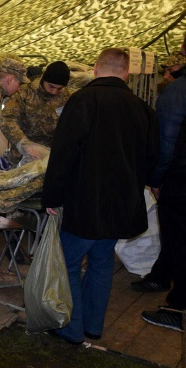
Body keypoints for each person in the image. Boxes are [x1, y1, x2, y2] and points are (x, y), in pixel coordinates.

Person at [42, 48, 159, 344]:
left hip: (84, 201)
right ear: (126, 74)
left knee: (69, 264)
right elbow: (152, 160)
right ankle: (92, 326)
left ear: (95, 69)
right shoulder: (142, 108)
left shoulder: (82, 100)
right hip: (121, 204)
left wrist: (52, 196)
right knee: (101, 262)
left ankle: (70, 329)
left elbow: (63, 153)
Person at [131, 49, 186, 294]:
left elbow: (166, 141)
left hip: (179, 176)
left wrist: (155, 178)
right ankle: (162, 276)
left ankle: (177, 305)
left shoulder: (176, 92)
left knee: (176, 234)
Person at [141, 114, 186, 331]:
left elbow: (167, 143)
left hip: (180, 181)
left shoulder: (175, 97)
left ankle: (178, 310)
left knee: (179, 242)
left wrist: (156, 178)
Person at [0, 61, 71, 166]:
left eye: (59, 89)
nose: (54, 92)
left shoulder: (65, 95)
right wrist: (23, 144)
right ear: (43, 79)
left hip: (51, 157)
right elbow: (6, 119)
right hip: (23, 156)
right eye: (51, 86)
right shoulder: (24, 92)